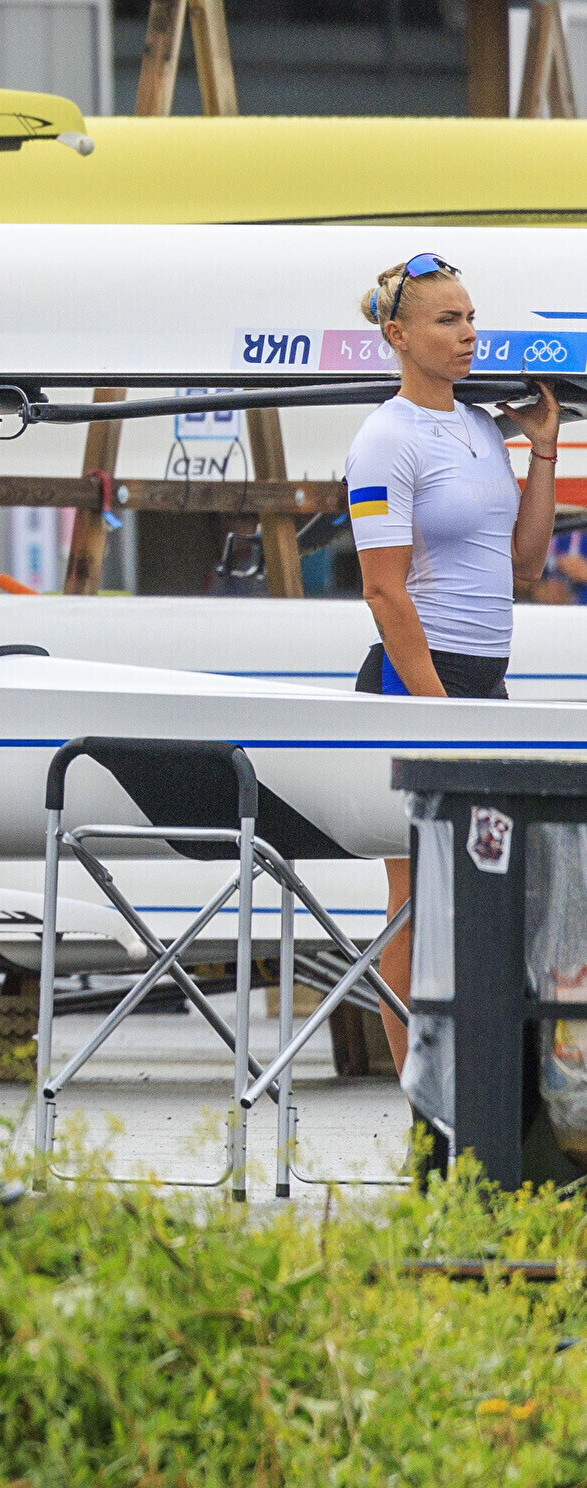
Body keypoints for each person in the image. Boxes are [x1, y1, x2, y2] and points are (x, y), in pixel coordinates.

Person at [343, 251, 560, 1072]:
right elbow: (382, 590)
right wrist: (438, 710)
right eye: (448, 320)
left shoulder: (478, 428)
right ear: (399, 336)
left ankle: (472, 1081)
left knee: (485, 894)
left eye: (471, 317)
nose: (469, 333)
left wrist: (543, 452)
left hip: (482, 681)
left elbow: (524, 564)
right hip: (415, 679)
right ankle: (415, 1096)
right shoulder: (384, 438)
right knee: (416, 898)